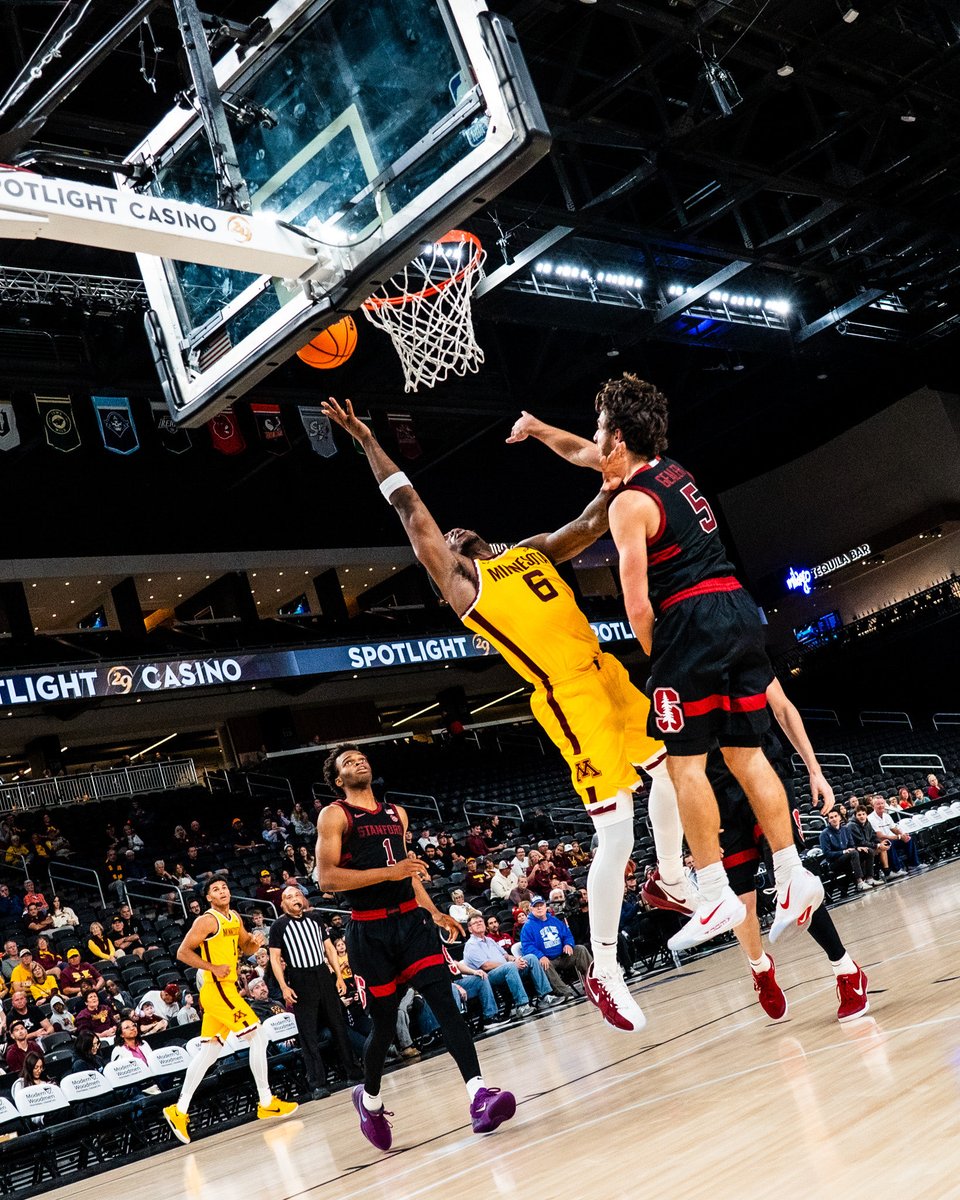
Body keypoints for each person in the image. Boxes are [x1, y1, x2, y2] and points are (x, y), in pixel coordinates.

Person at [321, 396, 677, 1035]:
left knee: (676, 773)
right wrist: (368, 440)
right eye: (448, 542)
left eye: (459, 530)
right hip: (568, 696)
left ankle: (672, 878)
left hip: (608, 672)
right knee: (616, 829)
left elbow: (595, 517)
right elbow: (410, 510)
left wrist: (611, 457)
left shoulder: (531, 552)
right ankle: (604, 968)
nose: (453, 532)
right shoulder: (465, 587)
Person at [507, 383, 825, 952]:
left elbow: (637, 601)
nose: (594, 438)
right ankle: (794, 874)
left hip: (689, 624)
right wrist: (536, 429)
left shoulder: (629, 503)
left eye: (601, 428)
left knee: (682, 767)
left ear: (619, 438)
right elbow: (585, 453)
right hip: (736, 607)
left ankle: (713, 892)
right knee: (745, 755)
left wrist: (663, 664)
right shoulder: (673, 471)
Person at [317, 745, 516, 1151]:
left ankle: (479, 1095)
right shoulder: (335, 814)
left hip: (411, 921)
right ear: (338, 780)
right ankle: (369, 1099)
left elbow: (408, 874)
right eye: (348, 762)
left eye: (361, 757)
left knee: (446, 1004)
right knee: (385, 1024)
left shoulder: (397, 813)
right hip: (368, 931)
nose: (358, 762)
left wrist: (437, 912)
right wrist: (388, 873)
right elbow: (327, 879)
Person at [162, 877, 297, 1144]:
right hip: (217, 987)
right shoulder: (207, 920)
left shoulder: (234, 917)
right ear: (208, 898)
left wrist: (255, 943)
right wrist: (212, 968)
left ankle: (178, 1109)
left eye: (224, 887)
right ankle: (266, 1100)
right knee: (258, 1036)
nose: (222, 891)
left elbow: (245, 945)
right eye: (215, 889)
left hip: (225, 989)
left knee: (209, 1053)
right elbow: (182, 952)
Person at [268, 884, 361, 1100]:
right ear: (283, 904)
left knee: (339, 1025)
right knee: (308, 1034)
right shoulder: (279, 926)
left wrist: (338, 975)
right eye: (289, 897)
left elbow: (329, 948)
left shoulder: (315, 918)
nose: (294, 899)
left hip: (322, 974)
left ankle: (353, 1072)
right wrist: (284, 986)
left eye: (297, 894)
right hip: (299, 979)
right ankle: (317, 1083)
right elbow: (274, 958)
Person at [462, 913, 560, 1012]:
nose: (479, 924)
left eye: (480, 921)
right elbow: (486, 965)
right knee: (510, 967)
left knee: (531, 958)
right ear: (470, 929)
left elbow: (506, 955)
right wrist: (511, 964)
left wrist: (516, 960)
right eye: (475, 923)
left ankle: (545, 996)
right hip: (488, 977)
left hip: (508, 969)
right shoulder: (471, 945)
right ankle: (522, 1006)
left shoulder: (489, 940)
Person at [519, 896, 591, 990]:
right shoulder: (527, 927)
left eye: (541, 905)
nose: (539, 908)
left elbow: (567, 935)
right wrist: (540, 956)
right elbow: (527, 947)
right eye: (536, 906)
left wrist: (568, 944)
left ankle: (594, 980)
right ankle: (564, 992)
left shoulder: (554, 920)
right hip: (548, 960)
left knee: (580, 949)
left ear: (545, 906)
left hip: (563, 956)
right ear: (531, 909)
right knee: (543, 964)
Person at [819, 811, 872, 892]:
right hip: (834, 862)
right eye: (831, 817)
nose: (834, 819)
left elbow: (851, 845)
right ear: (828, 820)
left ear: (840, 817)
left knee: (868, 851)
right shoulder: (824, 834)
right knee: (853, 853)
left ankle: (869, 878)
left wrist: (857, 848)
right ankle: (860, 882)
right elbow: (827, 854)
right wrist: (843, 852)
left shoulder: (845, 829)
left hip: (848, 856)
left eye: (836, 816)